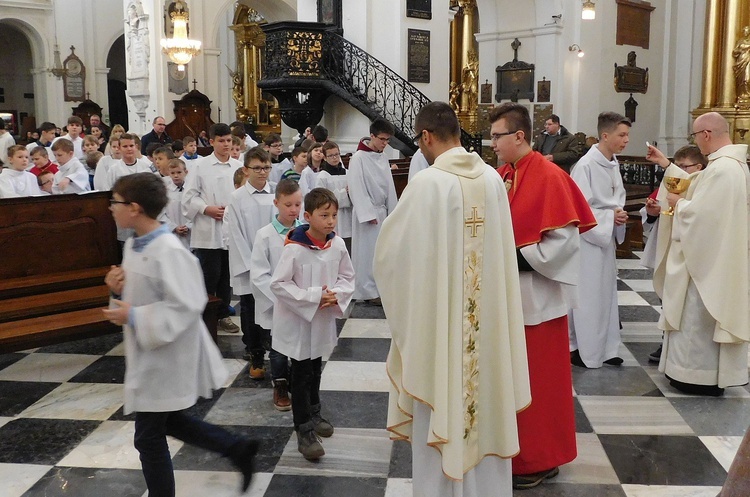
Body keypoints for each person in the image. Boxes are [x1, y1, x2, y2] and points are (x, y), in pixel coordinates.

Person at [373, 102, 530, 497]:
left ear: (426, 136)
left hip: (442, 332)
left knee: (443, 388)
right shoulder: (494, 179)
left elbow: (392, 257)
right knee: (485, 396)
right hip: (485, 327)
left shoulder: (428, 184)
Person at [102, 172, 258, 496]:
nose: (110, 208)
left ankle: (234, 450)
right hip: (150, 352)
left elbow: (188, 303)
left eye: (114, 202)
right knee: (169, 423)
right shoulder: (134, 244)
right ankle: (237, 448)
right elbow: (141, 295)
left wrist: (132, 314)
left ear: (134, 208)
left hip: (168, 355)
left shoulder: (169, 249)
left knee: (147, 437)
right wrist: (117, 290)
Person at [491, 102, 596, 489]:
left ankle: (539, 458)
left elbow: (564, 243)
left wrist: (513, 257)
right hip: (509, 298)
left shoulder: (550, 176)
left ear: (520, 136)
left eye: (498, 135)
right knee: (513, 381)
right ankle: (517, 454)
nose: (493, 143)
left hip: (537, 299)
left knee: (538, 384)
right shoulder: (503, 174)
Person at [650, 112, 750, 396]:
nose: (696, 142)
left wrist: (680, 206)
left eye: (695, 136)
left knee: (696, 314)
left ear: (706, 134)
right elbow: (699, 188)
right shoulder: (730, 166)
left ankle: (695, 376)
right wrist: (667, 167)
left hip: (708, 263)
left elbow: (704, 218)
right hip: (719, 257)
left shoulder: (723, 169)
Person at [270, 188, 355, 461]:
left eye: (334, 215)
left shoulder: (337, 245)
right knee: (301, 372)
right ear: (307, 216)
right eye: (324, 215)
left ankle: (315, 413)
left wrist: (336, 295)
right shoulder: (294, 248)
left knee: (315, 367)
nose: (331, 221)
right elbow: (279, 284)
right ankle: (303, 428)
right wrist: (314, 296)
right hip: (298, 320)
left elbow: (347, 277)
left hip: (320, 319)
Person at [568, 112, 630, 369]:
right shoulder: (585, 165)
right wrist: (608, 217)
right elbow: (577, 209)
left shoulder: (612, 163)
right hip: (589, 242)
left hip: (605, 242)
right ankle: (582, 349)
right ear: (606, 135)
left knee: (606, 296)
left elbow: (618, 197)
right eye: (622, 135)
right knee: (587, 296)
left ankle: (606, 348)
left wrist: (619, 214)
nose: (626, 140)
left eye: (627, 135)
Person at [641, 145, 707, 363]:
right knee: (667, 297)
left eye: (683, 167)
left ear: (698, 167)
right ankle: (666, 342)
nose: (678, 171)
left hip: (691, 255)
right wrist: (652, 211)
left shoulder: (704, 185)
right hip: (668, 248)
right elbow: (655, 207)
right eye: (677, 166)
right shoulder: (673, 185)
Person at [182, 123, 243, 334]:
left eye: (229, 141)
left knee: (227, 276)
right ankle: (205, 315)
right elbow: (188, 196)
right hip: (207, 229)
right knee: (210, 274)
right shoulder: (200, 166)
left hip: (229, 229)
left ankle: (223, 314)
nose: (226, 144)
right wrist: (206, 208)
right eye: (221, 141)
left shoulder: (237, 167)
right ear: (211, 142)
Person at [250, 179, 304, 411]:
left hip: (301, 302)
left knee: (301, 346)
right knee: (279, 348)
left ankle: (301, 384)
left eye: (298, 204)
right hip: (276, 303)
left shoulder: (306, 231)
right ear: (276, 203)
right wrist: (281, 299)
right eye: (288, 204)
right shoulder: (264, 235)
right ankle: (280, 385)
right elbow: (259, 274)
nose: (293, 210)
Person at [224, 147, 277, 379]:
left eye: (266, 167)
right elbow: (234, 235)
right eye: (257, 168)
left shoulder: (276, 194)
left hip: (275, 264)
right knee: (250, 308)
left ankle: (276, 350)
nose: (262, 172)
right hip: (248, 265)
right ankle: (255, 352)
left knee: (275, 308)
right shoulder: (236, 198)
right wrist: (254, 265)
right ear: (246, 170)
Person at [348, 118, 398, 305]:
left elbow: (389, 187)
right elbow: (356, 186)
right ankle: (366, 291)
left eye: (387, 140)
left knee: (381, 252)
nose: (385, 144)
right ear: (372, 136)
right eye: (382, 139)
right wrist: (367, 213)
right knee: (367, 253)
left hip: (382, 211)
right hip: (368, 213)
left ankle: (379, 287)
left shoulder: (383, 157)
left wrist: (393, 211)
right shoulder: (358, 158)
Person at [316, 141, 352, 252]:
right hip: (332, 218)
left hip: (349, 216)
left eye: (337, 154)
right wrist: (344, 193)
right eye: (331, 155)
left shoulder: (348, 172)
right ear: (325, 158)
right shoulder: (322, 176)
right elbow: (322, 200)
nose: (335, 158)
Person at [162, 158, 192, 250]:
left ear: (186, 172)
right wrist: (174, 227)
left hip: (191, 233)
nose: (176, 176)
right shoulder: (165, 192)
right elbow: (161, 214)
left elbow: (197, 212)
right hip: (172, 234)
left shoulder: (191, 190)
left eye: (179, 172)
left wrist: (189, 226)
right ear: (168, 173)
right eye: (172, 173)